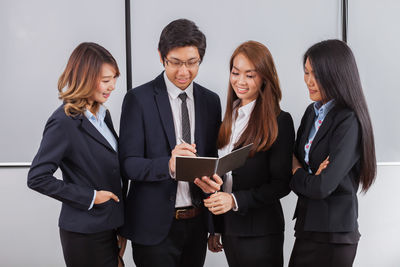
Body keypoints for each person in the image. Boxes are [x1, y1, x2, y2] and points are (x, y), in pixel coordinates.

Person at [118, 19, 222, 267]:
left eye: (192, 62)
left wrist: (214, 225)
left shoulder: (211, 101)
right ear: (161, 56)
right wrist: (169, 166)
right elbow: (128, 164)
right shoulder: (138, 99)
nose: (184, 71)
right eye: (175, 62)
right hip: (153, 228)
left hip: (196, 224)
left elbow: (211, 158)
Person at [27, 42, 126, 267]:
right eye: (105, 80)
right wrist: (91, 197)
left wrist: (119, 224)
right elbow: (37, 178)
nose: (112, 87)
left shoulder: (103, 115)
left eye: (114, 79)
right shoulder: (63, 121)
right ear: (85, 78)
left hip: (107, 226)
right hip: (84, 233)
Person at [200, 40, 294, 267]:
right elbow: (224, 176)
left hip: (261, 233)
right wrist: (216, 228)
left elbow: (282, 184)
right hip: (231, 229)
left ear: (264, 78)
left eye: (250, 75)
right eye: (235, 72)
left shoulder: (279, 121)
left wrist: (233, 201)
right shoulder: (228, 119)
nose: (240, 81)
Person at [289, 39, 377, 267]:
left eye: (316, 74)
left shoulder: (349, 121)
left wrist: (299, 171)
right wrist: (307, 175)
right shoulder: (312, 113)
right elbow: (291, 162)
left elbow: (322, 186)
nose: (309, 81)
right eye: (306, 72)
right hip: (307, 226)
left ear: (336, 75)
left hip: (335, 236)